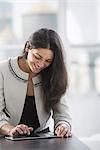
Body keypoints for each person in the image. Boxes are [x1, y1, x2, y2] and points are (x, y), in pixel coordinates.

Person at [0, 28, 72, 138]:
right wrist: (11, 130)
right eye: (37, 57)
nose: (40, 64)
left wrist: (63, 126)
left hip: (43, 137)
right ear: (27, 48)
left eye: (48, 61)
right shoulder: (3, 70)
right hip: (7, 137)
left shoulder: (53, 73)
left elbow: (62, 114)